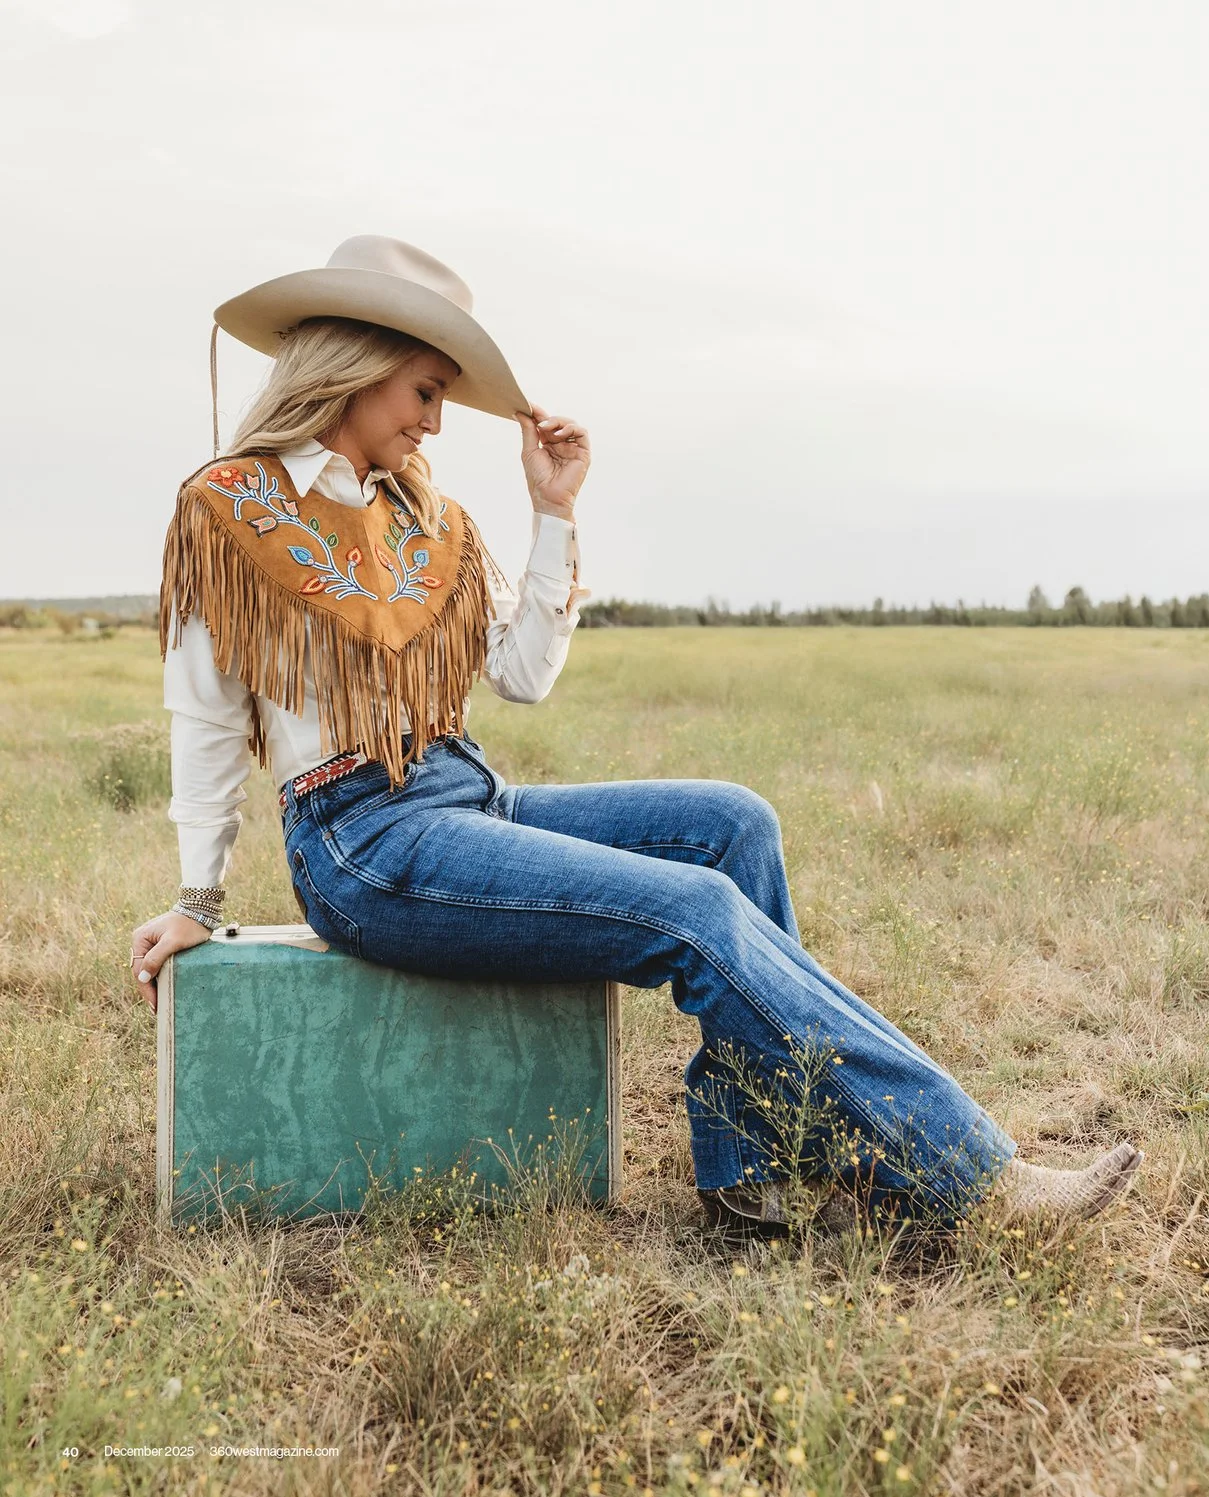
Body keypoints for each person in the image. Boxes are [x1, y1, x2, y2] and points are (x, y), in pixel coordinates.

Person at [127, 236, 1139, 1238]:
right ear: (354, 362)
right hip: (362, 842)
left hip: (462, 796)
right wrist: (195, 899)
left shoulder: (426, 522)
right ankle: (973, 1174)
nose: (435, 423)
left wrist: (553, 511)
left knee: (731, 825)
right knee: (694, 908)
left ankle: (747, 1175)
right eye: (423, 391)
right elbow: (206, 717)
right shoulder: (230, 508)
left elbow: (521, 677)